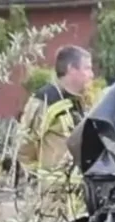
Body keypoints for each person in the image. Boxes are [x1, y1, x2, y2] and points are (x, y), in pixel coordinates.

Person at [19, 45, 95, 176]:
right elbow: (24, 147)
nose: (92, 75)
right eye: (87, 68)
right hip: (53, 191)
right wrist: (34, 180)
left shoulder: (82, 102)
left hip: (76, 190)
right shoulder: (45, 100)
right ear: (71, 68)